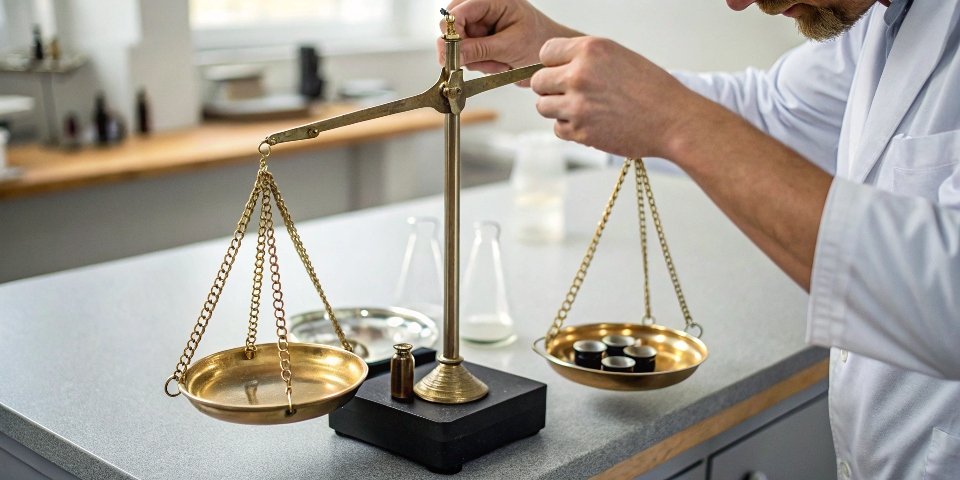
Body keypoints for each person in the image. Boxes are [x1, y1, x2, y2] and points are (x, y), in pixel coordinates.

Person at [438, 0, 960, 478]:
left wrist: (674, 120)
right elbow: (772, 113)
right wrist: (549, 52)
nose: (736, 2)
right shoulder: (879, 22)